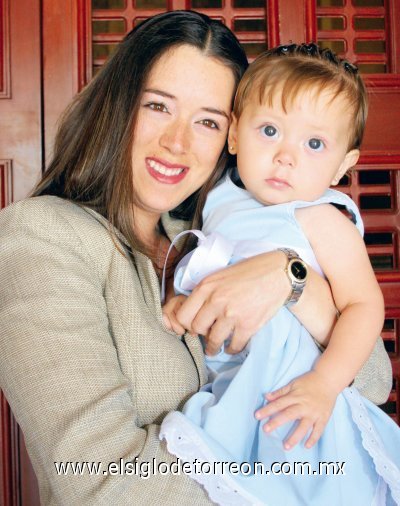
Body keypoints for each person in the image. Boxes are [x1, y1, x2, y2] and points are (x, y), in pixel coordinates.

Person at [0, 11, 391, 505]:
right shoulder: (42, 236)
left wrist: (288, 274)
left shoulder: (210, 230)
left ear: (227, 135)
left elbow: (374, 379)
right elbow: (97, 478)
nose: (178, 142)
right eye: (158, 106)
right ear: (116, 106)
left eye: (207, 120)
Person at [161, 43, 400, 505]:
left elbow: (364, 306)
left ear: (343, 165)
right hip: (237, 387)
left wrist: (326, 383)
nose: (286, 156)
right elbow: (215, 271)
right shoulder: (217, 202)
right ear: (234, 137)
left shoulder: (320, 218)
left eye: (314, 144)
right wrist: (182, 303)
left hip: (299, 393)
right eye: (269, 130)